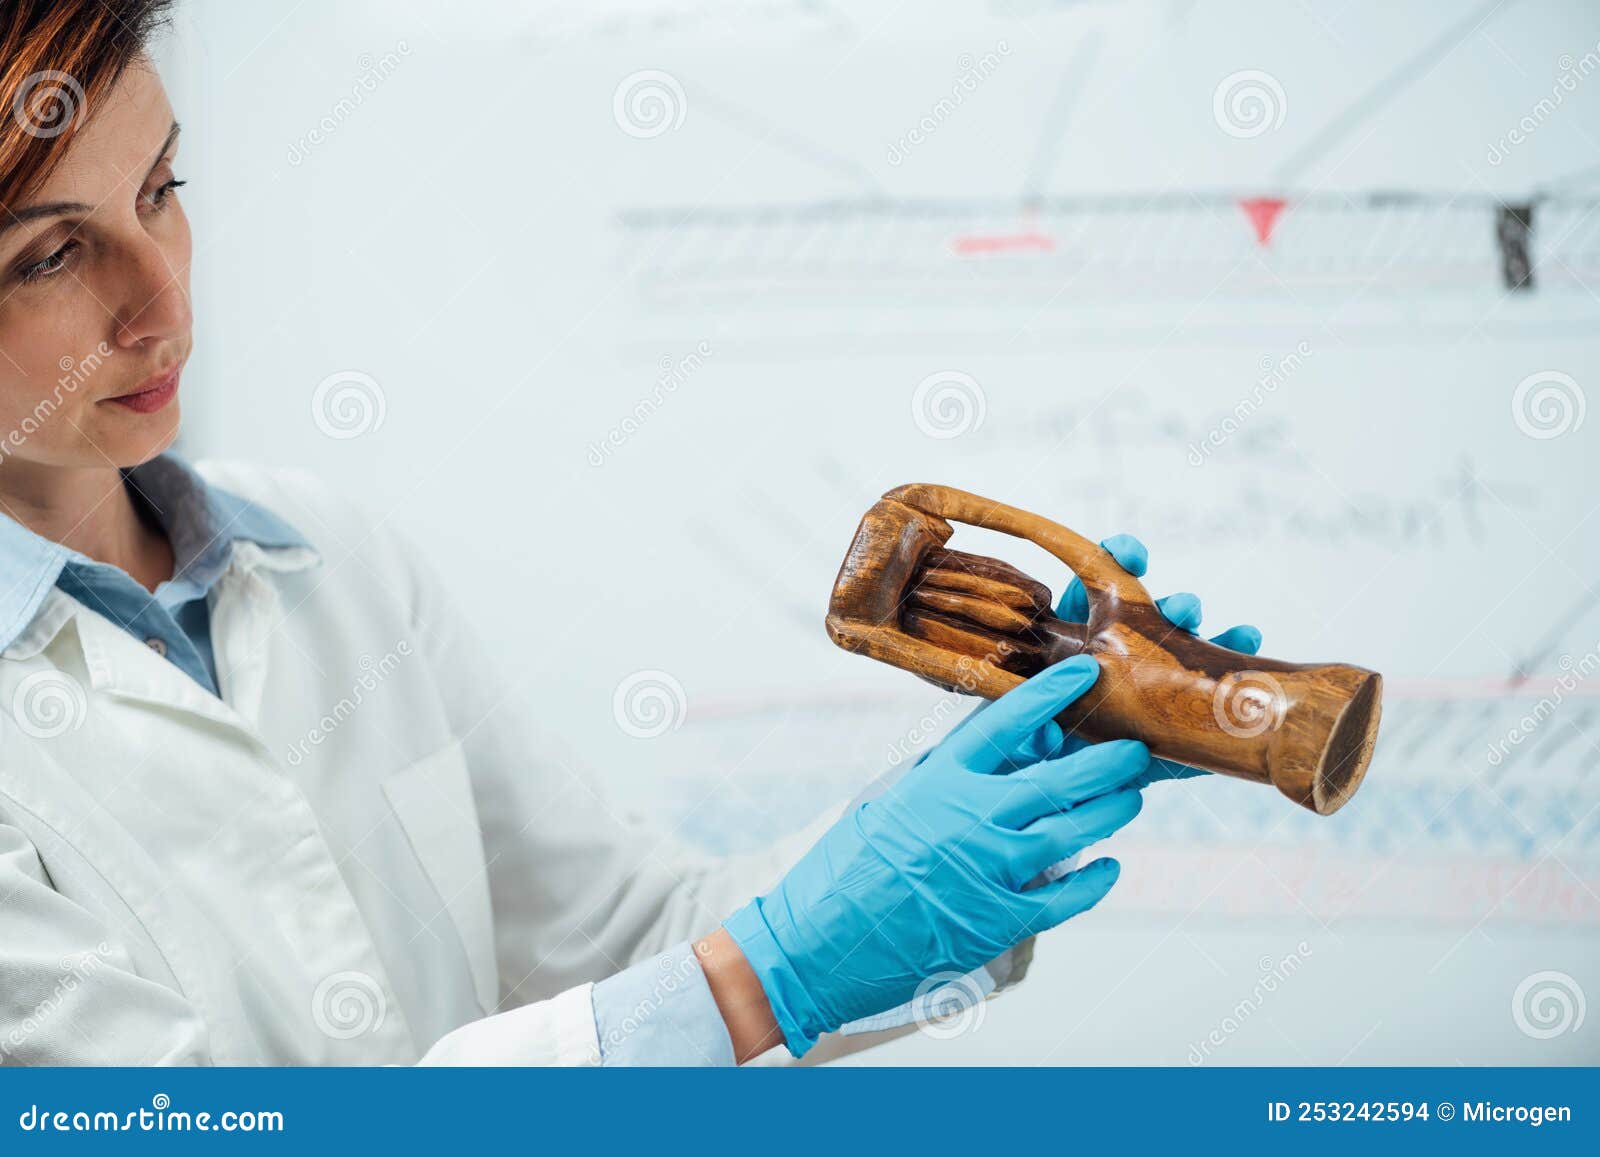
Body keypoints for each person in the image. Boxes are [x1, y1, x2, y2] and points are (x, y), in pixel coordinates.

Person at [0, 0, 1263, 1066]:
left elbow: (623, 940)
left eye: (162, 189)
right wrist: (769, 973)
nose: (162, 303)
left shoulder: (329, 561)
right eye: (55, 256)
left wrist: (938, 819)